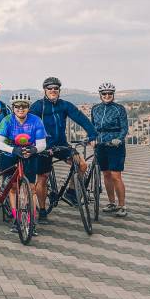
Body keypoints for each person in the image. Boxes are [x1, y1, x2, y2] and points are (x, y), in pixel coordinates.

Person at [29, 76, 97, 223]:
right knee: (43, 177)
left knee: (82, 165)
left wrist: (92, 134)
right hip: (43, 147)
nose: (53, 91)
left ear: (59, 91)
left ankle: (71, 192)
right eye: (50, 89)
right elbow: (28, 125)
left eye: (56, 89)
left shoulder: (64, 105)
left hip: (61, 144)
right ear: (45, 91)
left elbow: (81, 118)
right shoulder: (37, 106)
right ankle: (42, 211)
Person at [0, 93, 47, 234]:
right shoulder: (7, 120)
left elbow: (42, 144)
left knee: (31, 189)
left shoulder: (36, 121)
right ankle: (17, 220)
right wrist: (13, 149)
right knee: (13, 188)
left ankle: (31, 222)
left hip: (29, 155)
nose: (20, 109)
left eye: (24, 106)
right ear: (13, 107)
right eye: (17, 106)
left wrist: (34, 149)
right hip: (10, 154)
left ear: (28, 107)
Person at [90, 82, 129, 217]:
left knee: (116, 175)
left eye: (110, 94)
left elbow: (124, 127)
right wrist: (92, 138)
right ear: (100, 95)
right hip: (100, 144)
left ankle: (122, 205)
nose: (107, 96)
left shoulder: (119, 108)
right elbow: (93, 126)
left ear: (113, 95)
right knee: (106, 174)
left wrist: (119, 138)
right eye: (104, 94)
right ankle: (112, 202)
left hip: (115, 144)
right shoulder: (95, 108)